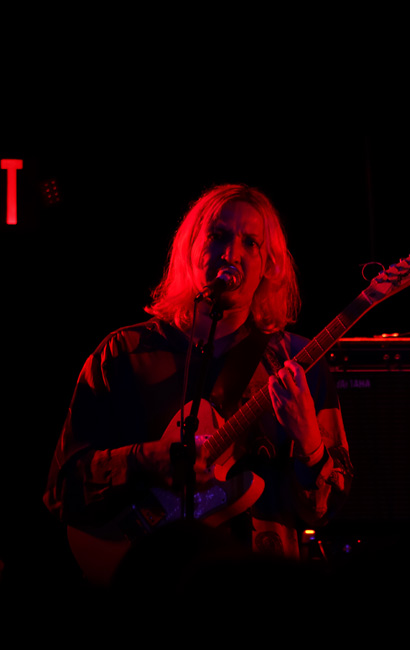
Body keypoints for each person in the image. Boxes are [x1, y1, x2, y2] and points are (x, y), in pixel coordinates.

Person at [45, 184, 352, 584]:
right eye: (218, 236)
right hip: (146, 579)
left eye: (250, 243)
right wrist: (143, 459)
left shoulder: (296, 362)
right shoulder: (122, 354)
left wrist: (310, 443)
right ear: (190, 248)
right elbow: (61, 490)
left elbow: (327, 511)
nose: (231, 254)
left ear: (269, 264)